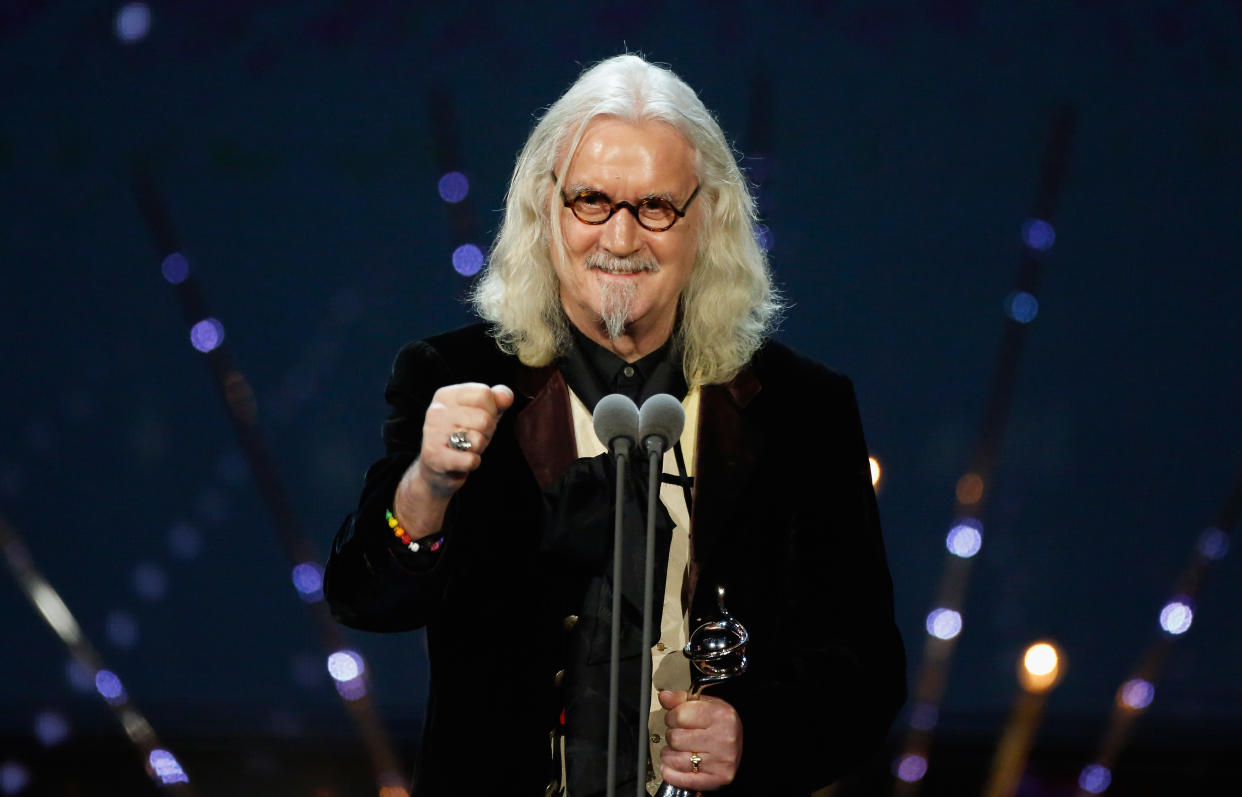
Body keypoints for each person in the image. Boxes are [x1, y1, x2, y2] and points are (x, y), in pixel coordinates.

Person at [325, 54, 905, 796]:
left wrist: (754, 733)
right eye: (592, 201)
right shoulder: (453, 374)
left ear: (709, 218)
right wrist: (427, 485)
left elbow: (866, 671)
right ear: (547, 208)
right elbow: (363, 599)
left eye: (656, 207)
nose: (622, 239)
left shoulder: (802, 406)